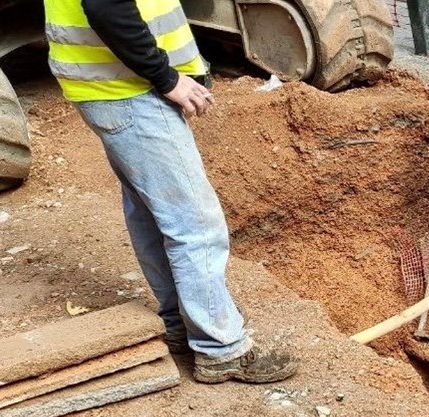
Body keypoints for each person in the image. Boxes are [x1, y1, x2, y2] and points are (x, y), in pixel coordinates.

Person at [43, 0, 297, 383]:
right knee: (195, 223)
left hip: (107, 85)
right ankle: (221, 348)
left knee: (151, 214)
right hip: (130, 88)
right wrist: (167, 77)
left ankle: (182, 320)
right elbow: (107, 7)